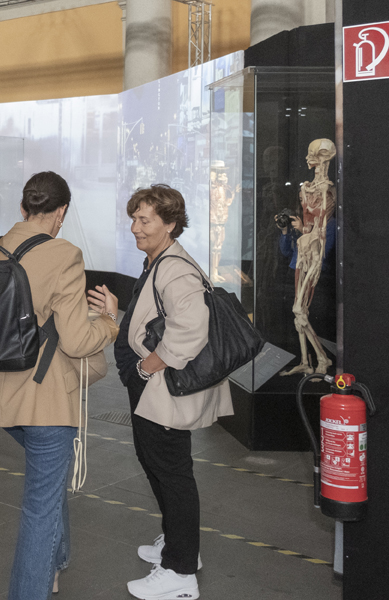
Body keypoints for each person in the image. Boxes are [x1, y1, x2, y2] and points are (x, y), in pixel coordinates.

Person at [0, 171, 119, 600]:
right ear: (61, 212)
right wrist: (110, 324)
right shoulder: (64, 254)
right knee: (40, 507)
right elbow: (75, 340)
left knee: (49, 486)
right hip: (46, 398)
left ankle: (56, 561)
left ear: (23, 208)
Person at [114, 184, 233, 600]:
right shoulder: (159, 261)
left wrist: (148, 366)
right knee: (156, 464)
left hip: (162, 388)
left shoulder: (174, 267)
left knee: (171, 471)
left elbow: (191, 329)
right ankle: (179, 542)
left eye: (144, 220)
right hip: (154, 390)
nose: (134, 227)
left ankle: (181, 573)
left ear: (170, 224)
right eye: (134, 218)